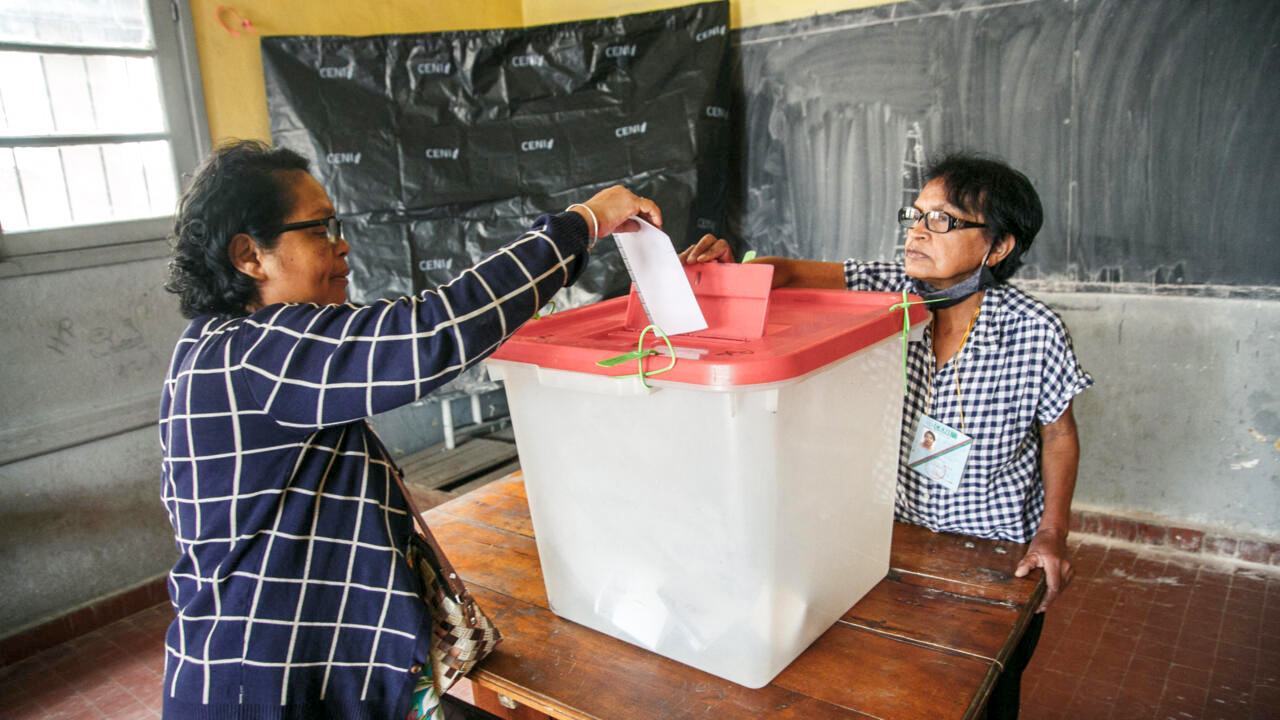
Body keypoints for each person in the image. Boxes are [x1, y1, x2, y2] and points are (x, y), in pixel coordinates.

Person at [160, 139, 661, 719]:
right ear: (250, 255)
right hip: (263, 688)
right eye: (320, 229)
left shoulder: (222, 349)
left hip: (307, 672)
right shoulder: (253, 356)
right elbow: (434, 332)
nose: (342, 243)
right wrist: (584, 222)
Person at [680, 152, 1092, 718]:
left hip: (993, 555)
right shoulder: (890, 295)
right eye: (915, 214)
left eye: (943, 220)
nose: (918, 232)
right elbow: (792, 273)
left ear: (998, 247)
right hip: (891, 538)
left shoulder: (1034, 330)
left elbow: (1059, 436)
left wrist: (1052, 534)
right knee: (899, 686)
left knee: (987, 694)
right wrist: (732, 269)